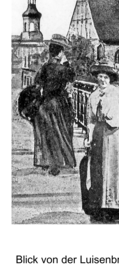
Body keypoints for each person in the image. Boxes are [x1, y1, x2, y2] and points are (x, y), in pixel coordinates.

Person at [85, 59, 119, 223]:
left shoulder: (118, 93)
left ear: (110, 78)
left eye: (105, 77)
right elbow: (90, 120)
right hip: (99, 135)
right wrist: (89, 136)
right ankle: (99, 209)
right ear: (96, 78)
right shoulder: (92, 96)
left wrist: (116, 120)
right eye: (100, 76)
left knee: (114, 171)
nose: (102, 80)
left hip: (114, 135)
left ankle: (115, 210)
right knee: (98, 171)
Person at [33, 34, 76, 175]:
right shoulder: (62, 68)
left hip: (44, 103)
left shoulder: (45, 67)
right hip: (58, 103)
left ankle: (46, 161)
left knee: (47, 133)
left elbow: (37, 82)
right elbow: (71, 76)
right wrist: (66, 63)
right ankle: (61, 161)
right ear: (60, 52)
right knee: (61, 132)